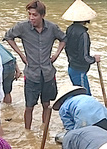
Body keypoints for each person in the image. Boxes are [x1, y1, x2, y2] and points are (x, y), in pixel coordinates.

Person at [4, 0, 66, 130]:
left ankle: (45, 130)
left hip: (48, 73)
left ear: (42, 15)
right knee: (29, 106)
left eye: (35, 15)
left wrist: (56, 54)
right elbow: (8, 37)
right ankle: (28, 131)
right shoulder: (22, 27)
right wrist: (21, 55)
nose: (31, 18)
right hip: (31, 74)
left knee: (46, 104)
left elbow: (64, 39)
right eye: (30, 14)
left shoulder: (52, 28)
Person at [62, 0, 99, 96]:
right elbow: (85, 57)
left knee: (79, 95)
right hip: (79, 71)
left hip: (71, 67)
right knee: (85, 97)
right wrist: (94, 59)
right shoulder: (83, 34)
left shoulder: (69, 29)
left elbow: (67, 48)